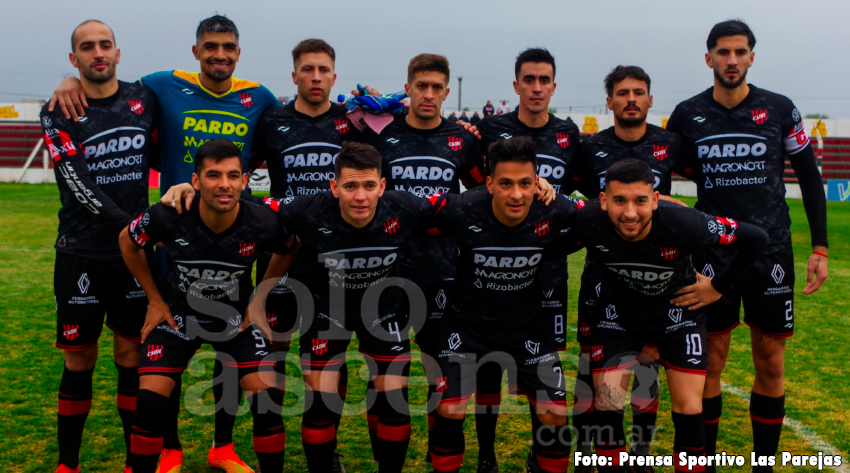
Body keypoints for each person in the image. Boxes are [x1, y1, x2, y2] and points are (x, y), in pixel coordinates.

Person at [50, 15, 280, 472]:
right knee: (160, 348)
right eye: (210, 46)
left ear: (238, 52)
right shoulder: (159, 86)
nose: (220, 54)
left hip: (234, 237)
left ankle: (223, 445)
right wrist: (66, 79)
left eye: (228, 47)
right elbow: (107, 82)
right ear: (195, 52)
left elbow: (283, 143)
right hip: (170, 237)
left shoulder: (262, 98)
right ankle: (169, 448)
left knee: (230, 344)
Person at [665, 20, 828, 472]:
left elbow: (810, 177)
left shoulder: (780, 109)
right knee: (711, 360)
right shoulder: (687, 114)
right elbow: (659, 177)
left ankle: (762, 465)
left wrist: (821, 248)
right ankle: (708, 462)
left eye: (740, 52)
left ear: (752, 56)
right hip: (713, 253)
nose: (731, 60)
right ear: (708, 58)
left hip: (772, 252)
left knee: (771, 360)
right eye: (722, 52)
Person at [559, 159, 768, 473]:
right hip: (619, 315)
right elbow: (548, 211)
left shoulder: (686, 222)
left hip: (677, 316)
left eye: (640, 201)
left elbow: (756, 239)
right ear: (603, 201)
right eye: (619, 201)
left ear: (655, 200)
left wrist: (719, 287)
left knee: (688, 408)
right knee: (606, 406)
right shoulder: (587, 217)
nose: (630, 213)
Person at [250, 142, 440, 473]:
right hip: (326, 310)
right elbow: (245, 204)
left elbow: (463, 206)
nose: (360, 196)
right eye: (350, 186)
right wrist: (187, 191)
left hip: (383, 310)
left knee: (394, 398)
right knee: (321, 400)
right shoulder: (306, 209)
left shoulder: (405, 207)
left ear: (382, 186)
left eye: (369, 186)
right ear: (334, 187)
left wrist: (535, 189)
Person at [118, 140, 291, 473]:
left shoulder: (263, 220)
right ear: (195, 182)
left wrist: (260, 299)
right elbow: (128, 240)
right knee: (150, 401)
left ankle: (227, 451)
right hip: (179, 315)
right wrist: (154, 299)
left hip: (237, 320)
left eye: (232, 175)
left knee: (267, 398)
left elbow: (289, 247)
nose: (223, 184)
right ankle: (162, 456)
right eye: (213, 175)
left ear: (244, 180)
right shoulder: (170, 214)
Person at [42, 20, 159, 473]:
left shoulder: (143, 98)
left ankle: (134, 462)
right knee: (79, 359)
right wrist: (137, 225)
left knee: (130, 356)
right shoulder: (58, 108)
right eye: (86, 47)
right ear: (74, 60)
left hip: (131, 257)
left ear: (117, 52)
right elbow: (77, 184)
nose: (97, 53)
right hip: (81, 252)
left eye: (104, 45)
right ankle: (67, 465)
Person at [427, 137, 582, 473]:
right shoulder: (461, 207)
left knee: (554, 414)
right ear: (489, 183)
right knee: (450, 410)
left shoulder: (555, 207)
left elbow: (606, 212)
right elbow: (406, 211)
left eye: (526, 183)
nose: (516, 195)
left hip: (527, 327)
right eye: (507, 184)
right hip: (466, 326)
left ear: (537, 182)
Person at [471, 48, 581, 472]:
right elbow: (471, 178)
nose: (537, 87)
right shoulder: (489, 128)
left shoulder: (569, 133)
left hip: (546, 271)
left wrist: (557, 194)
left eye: (544, 80)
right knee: (486, 370)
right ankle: (486, 456)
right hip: (490, 265)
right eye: (528, 80)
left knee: (542, 370)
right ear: (515, 85)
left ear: (554, 85)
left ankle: (541, 454)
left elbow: (585, 192)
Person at [569, 65, 684, 469]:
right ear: (610, 101)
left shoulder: (671, 143)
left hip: (654, 272)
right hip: (602, 270)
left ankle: (641, 451)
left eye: (639, 92)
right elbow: (571, 195)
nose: (631, 99)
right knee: (593, 358)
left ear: (650, 100)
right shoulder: (589, 148)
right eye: (622, 92)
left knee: (647, 359)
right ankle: (590, 449)